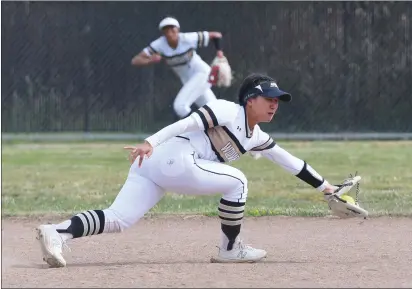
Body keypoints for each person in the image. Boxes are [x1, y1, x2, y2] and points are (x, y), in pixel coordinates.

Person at [36, 73, 342, 268]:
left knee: (119, 219)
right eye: (269, 98)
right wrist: (149, 142)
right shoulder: (227, 110)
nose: (275, 104)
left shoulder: (257, 136)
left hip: (162, 166)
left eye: (278, 100)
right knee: (238, 181)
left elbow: (291, 162)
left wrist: (328, 190)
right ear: (250, 100)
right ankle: (230, 249)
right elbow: (186, 124)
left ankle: (57, 232)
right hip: (171, 157)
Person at [131, 16, 225, 119]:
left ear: (178, 29)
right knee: (214, 110)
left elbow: (216, 35)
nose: (170, 32)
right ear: (163, 33)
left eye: (172, 28)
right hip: (189, 81)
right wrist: (150, 60)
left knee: (180, 107)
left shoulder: (187, 38)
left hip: (202, 74)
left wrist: (219, 53)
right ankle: (230, 129)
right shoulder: (159, 44)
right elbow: (135, 60)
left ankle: (194, 131)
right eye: (166, 30)